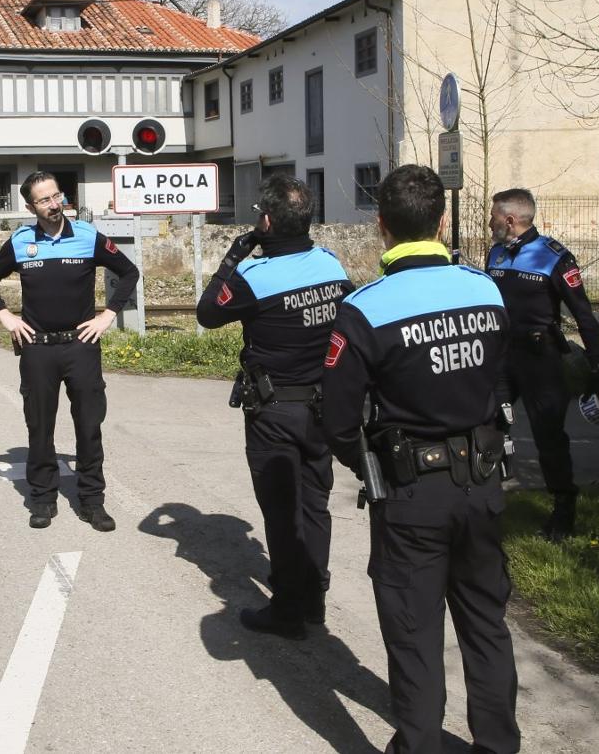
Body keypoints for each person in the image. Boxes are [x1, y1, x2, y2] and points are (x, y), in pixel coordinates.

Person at [322, 165, 520, 754]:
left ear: (380, 225)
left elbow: (337, 421)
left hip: (412, 494)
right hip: (482, 485)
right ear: (441, 222)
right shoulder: (486, 289)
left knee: (414, 631)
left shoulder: (364, 309)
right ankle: (498, 745)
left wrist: (374, 467)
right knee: (486, 623)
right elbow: (502, 379)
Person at [195, 175, 352, 640]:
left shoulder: (254, 277)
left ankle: (286, 611)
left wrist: (232, 257)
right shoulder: (331, 264)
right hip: (322, 408)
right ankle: (315, 598)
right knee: (316, 505)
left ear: (265, 221)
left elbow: (207, 313)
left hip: (275, 411)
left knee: (282, 512)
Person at [0, 171, 140, 532]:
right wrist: (6, 317)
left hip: (81, 345)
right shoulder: (21, 241)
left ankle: (92, 501)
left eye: (56, 196)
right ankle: (42, 498)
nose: (54, 205)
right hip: (37, 349)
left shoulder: (87, 236)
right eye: (44, 200)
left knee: (89, 426)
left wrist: (107, 316)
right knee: (39, 427)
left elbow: (129, 272)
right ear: (30, 206)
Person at [486, 188, 599, 540]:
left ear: (510, 220)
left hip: (540, 360)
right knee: (487, 424)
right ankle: (487, 501)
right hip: (503, 358)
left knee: (549, 437)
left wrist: (597, 367)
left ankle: (563, 508)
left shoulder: (554, 257)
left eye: (494, 216)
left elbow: (583, 314)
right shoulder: (496, 253)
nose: (490, 222)